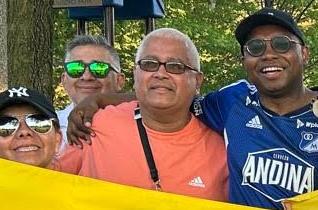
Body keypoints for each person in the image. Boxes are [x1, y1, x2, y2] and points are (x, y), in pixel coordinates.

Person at [67, 8, 318, 206]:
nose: (268, 53)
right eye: (255, 48)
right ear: (245, 60)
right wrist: (98, 100)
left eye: (281, 44)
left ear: (303, 53)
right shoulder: (231, 102)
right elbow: (169, 92)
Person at [52, 28, 227, 199]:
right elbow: (46, 182)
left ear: (197, 80)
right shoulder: (93, 127)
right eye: (149, 64)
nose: (160, 74)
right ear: (135, 74)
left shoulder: (224, 146)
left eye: (175, 66)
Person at [55, 34, 122, 150]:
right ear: (64, 80)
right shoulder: (48, 127)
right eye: (75, 68)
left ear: (119, 81)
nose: (86, 77)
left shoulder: (141, 124)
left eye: (99, 68)